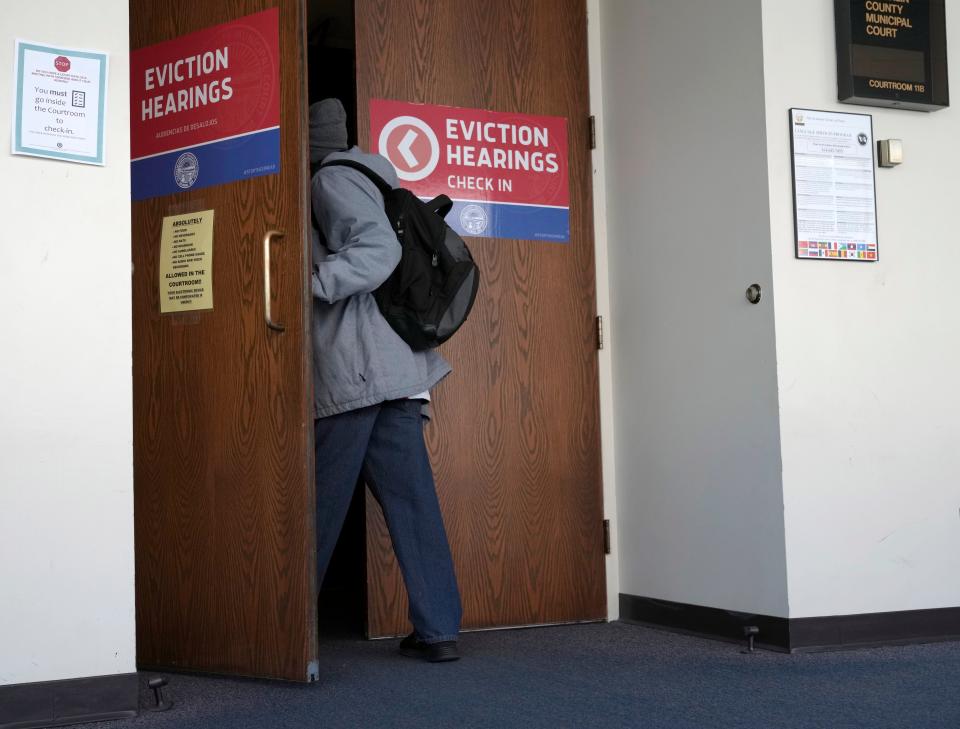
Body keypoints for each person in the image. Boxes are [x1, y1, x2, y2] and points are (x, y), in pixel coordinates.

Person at [308, 98, 462, 662]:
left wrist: (313, 283)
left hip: (358, 366)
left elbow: (379, 249)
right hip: (394, 369)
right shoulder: (372, 175)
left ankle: (283, 635)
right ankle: (438, 629)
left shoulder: (329, 181)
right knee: (413, 502)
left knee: (316, 505)